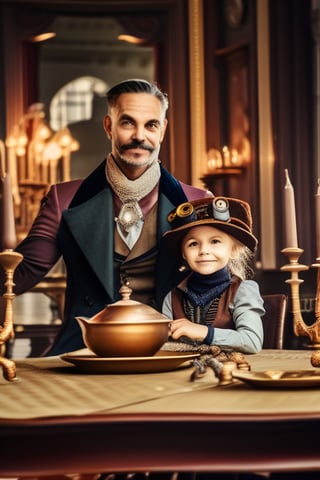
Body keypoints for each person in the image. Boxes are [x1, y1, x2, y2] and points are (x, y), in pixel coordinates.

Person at [0, 78, 212, 356]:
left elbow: (223, 287)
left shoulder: (196, 201)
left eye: (151, 125)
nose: (139, 135)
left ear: (162, 130)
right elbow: (19, 273)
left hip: (171, 352)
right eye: (127, 123)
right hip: (84, 353)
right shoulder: (64, 199)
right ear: (109, 127)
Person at [161, 196, 265, 354]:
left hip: (230, 372)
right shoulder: (172, 297)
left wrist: (204, 333)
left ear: (234, 250)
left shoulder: (242, 291)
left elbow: (252, 341)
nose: (204, 250)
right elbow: (163, 344)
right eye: (193, 244)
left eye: (215, 241)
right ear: (183, 253)